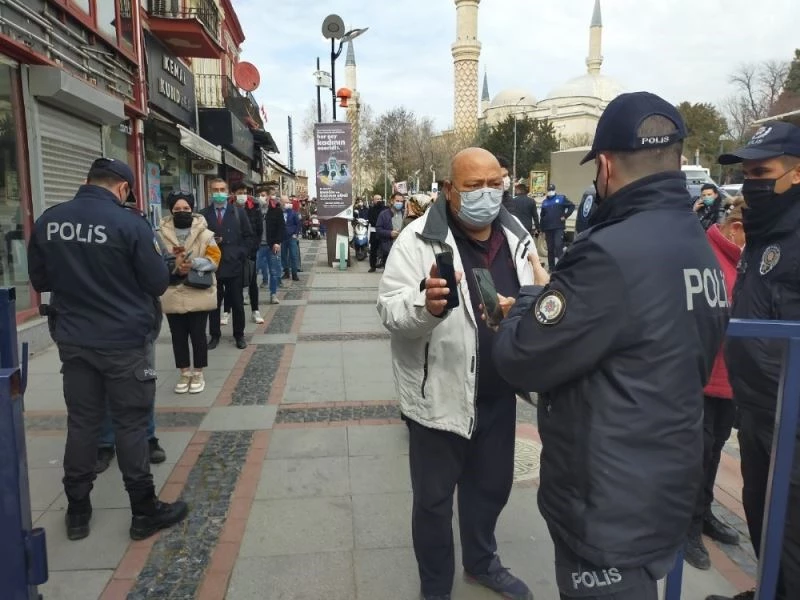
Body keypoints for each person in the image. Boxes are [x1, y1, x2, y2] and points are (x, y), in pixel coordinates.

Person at [492, 92, 728, 600]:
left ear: (604, 165)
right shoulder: (700, 246)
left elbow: (524, 357)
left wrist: (531, 297)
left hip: (605, 506)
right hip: (662, 490)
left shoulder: (608, 252)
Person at [377, 147, 535, 600]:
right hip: (437, 400)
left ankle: (482, 562)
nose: (485, 194)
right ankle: (435, 589)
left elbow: (533, 297)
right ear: (450, 192)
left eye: (494, 184)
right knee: (432, 504)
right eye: (472, 186)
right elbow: (389, 309)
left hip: (498, 394)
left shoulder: (518, 236)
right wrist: (423, 307)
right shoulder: (415, 241)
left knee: (490, 489)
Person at [27, 157, 189, 541]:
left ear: (87, 182)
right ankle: (143, 510)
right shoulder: (129, 223)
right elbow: (155, 282)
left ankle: (78, 511)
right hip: (123, 342)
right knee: (131, 424)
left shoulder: (50, 221)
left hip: (75, 340)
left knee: (82, 423)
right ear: (122, 188)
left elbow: (40, 278)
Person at [707, 121, 800, 600]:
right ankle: (769, 588)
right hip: (758, 408)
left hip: (792, 416)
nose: (751, 185)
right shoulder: (764, 233)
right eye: (746, 174)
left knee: (791, 528)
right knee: (762, 511)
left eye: (762, 172)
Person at [683, 198, 746, 571]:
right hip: (702, 379)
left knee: (715, 452)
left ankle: (705, 512)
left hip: (731, 380)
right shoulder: (706, 253)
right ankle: (687, 526)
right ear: (735, 228)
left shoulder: (746, 259)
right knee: (696, 457)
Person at [95, 199, 167, 474]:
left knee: (142, 384)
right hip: (98, 323)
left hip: (137, 323)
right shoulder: (90, 231)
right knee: (102, 388)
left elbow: (161, 270)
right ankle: (105, 442)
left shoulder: (141, 227)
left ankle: (147, 438)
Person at [159, 191, 220, 395]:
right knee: (178, 335)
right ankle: (184, 372)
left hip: (198, 290)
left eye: (186, 208)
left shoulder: (206, 233)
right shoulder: (159, 234)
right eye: (177, 209)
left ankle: (198, 372)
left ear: (192, 209)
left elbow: (215, 259)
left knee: (198, 335)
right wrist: (171, 266)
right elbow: (153, 259)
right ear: (171, 210)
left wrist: (193, 263)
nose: (182, 212)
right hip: (172, 290)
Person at [201, 178, 254, 350]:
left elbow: (249, 236)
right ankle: (214, 335)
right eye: (215, 190)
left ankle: (239, 335)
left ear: (227, 192)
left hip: (234, 264)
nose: (218, 193)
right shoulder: (203, 214)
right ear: (210, 192)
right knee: (213, 304)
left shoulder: (238, 212)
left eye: (222, 189)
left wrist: (241, 253)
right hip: (213, 265)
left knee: (237, 302)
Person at [231, 182, 265, 324]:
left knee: (252, 282)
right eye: (240, 192)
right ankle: (228, 312)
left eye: (244, 192)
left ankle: (255, 310)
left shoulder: (254, 207)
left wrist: (252, 248)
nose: (243, 195)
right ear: (233, 193)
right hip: (232, 254)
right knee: (232, 284)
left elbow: (258, 231)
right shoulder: (228, 207)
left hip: (250, 252)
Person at [539, 183, 575, 270]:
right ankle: (551, 267)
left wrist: (565, 216)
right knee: (550, 248)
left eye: (552, 190)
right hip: (548, 228)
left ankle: (561, 265)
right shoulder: (544, 202)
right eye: (549, 190)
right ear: (547, 191)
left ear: (554, 190)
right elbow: (542, 216)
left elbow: (571, 206)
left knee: (558, 245)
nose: (550, 192)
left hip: (558, 227)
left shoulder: (561, 198)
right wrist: (541, 228)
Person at [257, 187, 283, 304]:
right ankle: (248, 294)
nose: (261, 197)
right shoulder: (254, 210)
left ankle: (273, 294)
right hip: (257, 246)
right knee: (253, 271)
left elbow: (280, 227)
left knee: (274, 271)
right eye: (260, 195)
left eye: (263, 195)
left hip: (272, 245)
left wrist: (277, 242)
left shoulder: (276, 210)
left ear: (268, 196)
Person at [376, 193, 405, 259]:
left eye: (401, 201)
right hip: (388, 249)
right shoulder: (383, 214)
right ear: (392, 201)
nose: (399, 203)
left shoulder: (405, 214)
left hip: (401, 249)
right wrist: (389, 233)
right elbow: (378, 229)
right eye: (397, 201)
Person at [281, 195, 301, 281]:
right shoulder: (280, 212)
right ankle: (286, 272)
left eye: (288, 202)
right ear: (281, 203)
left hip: (292, 237)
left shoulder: (293, 213)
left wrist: (295, 234)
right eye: (285, 202)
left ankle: (294, 274)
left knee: (293, 255)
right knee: (283, 256)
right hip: (283, 237)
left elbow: (298, 224)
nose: (287, 203)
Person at [367, 194, 385, 272]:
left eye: (380, 199)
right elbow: (370, 220)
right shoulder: (371, 209)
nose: (379, 200)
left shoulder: (385, 209)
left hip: (384, 232)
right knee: (373, 251)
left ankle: (385, 265)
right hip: (374, 232)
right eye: (377, 199)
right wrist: (379, 224)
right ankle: (373, 266)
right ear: (373, 200)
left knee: (385, 250)